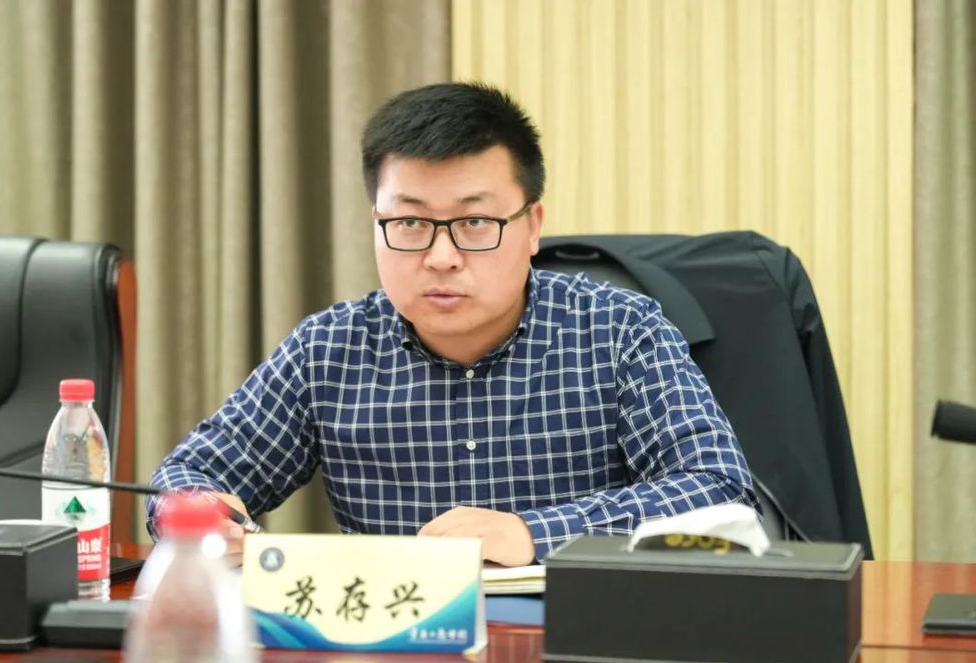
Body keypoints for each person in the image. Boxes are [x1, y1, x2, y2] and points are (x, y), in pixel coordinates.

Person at [148, 82, 758, 566]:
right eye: (410, 223)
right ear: (377, 223)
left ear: (532, 225)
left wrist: (535, 533)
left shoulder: (619, 330)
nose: (441, 256)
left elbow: (718, 488)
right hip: (389, 643)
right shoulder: (327, 350)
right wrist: (199, 515)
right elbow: (185, 478)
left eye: (474, 223)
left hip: (576, 633)